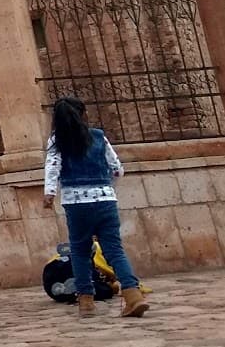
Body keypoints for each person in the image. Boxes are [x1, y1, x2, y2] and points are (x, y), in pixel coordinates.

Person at [42, 96, 150, 318]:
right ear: (82, 114)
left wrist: (49, 194)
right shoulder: (99, 137)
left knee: (80, 252)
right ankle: (133, 295)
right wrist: (105, 186)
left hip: (76, 205)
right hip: (105, 200)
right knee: (114, 250)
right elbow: (117, 168)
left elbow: (53, 168)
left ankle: (86, 302)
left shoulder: (57, 141)